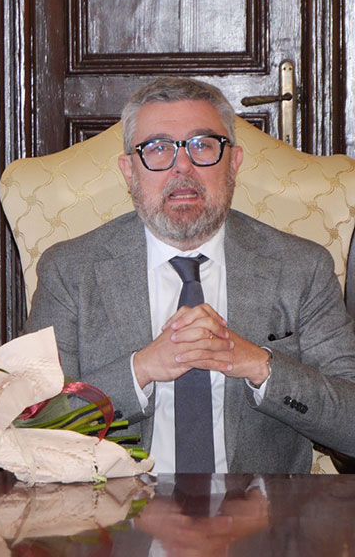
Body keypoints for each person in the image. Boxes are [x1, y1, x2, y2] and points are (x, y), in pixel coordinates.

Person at [25, 77, 355, 474]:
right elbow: (36, 426)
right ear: (129, 171)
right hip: (116, 505)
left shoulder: (301, 267)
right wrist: (141, 370)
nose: (182, 166)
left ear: (234, 163)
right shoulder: (70, 271)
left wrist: (260, 366)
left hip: (261, 504)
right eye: (158, 148)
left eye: (202, 145)